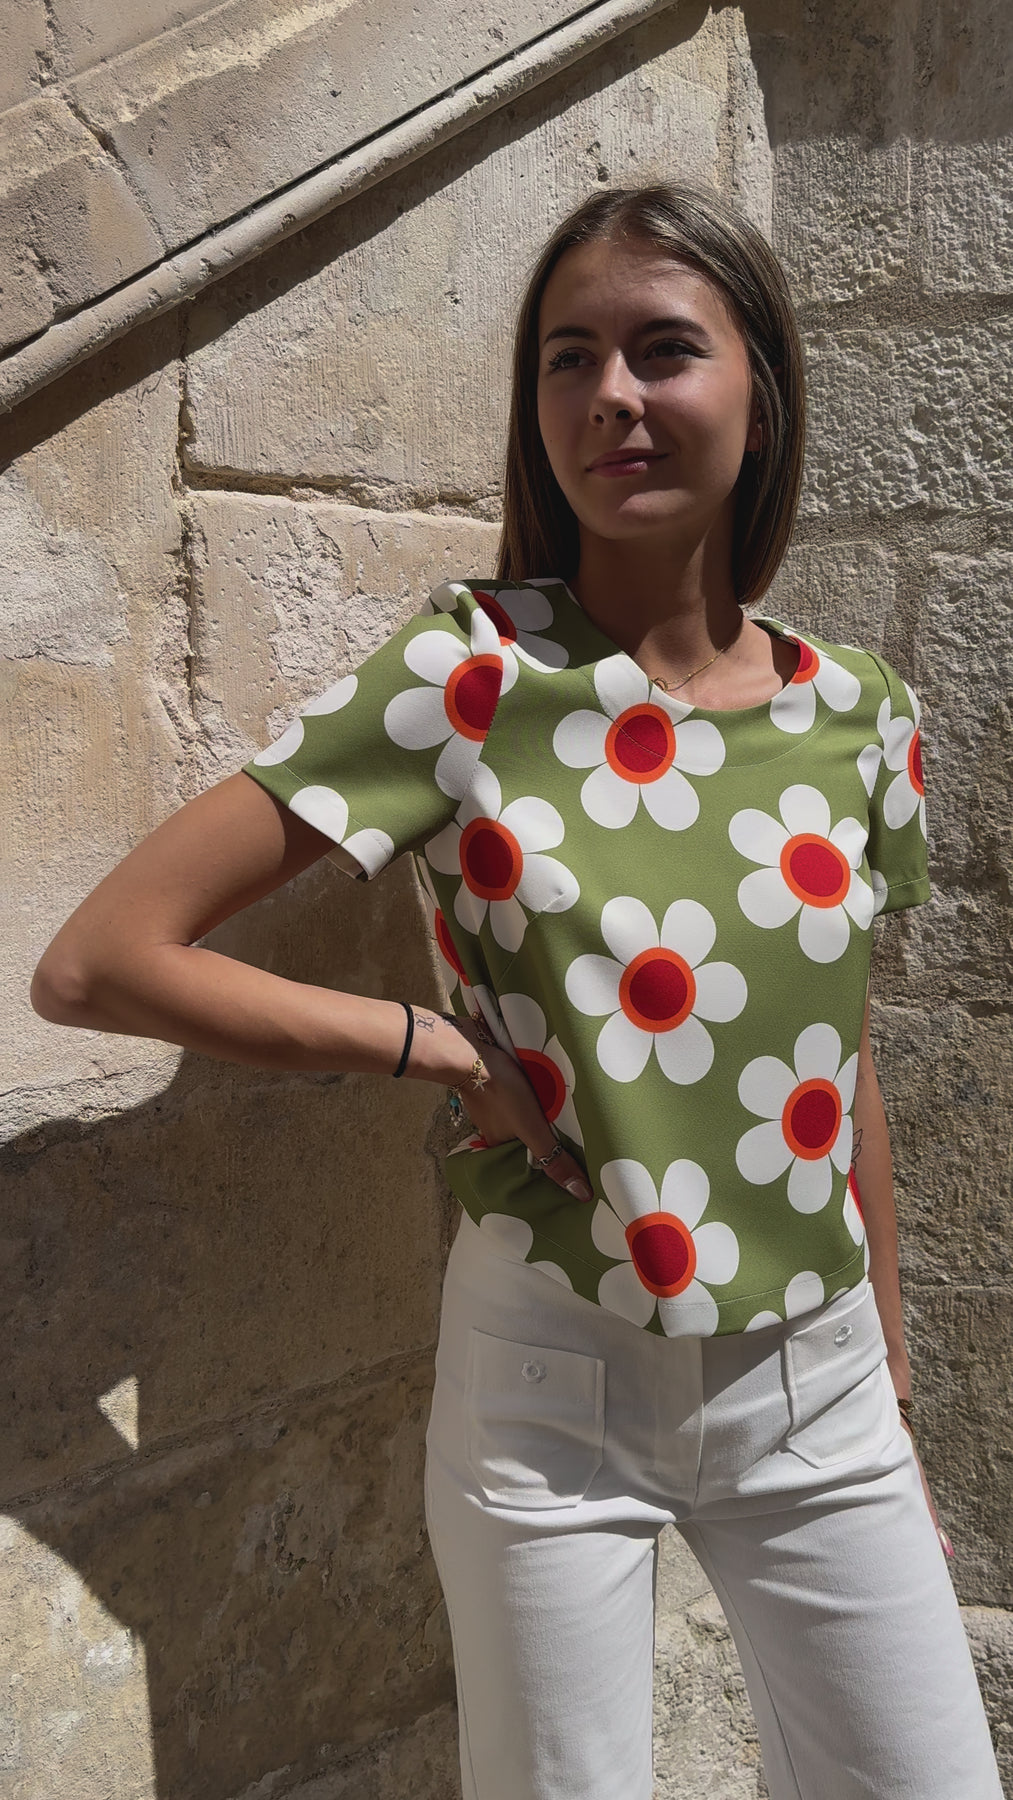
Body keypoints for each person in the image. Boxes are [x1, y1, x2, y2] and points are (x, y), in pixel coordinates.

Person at [31, 182, 1003, 1800]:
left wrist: (891, 1387)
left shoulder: (860, 712)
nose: (611, 394)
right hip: (556, 1390)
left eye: (662, 349)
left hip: (819, 1386)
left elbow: (837, 1070)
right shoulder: (467, 676)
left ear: (760, 394)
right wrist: (427, 1044)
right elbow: (99, 960)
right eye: (568, 358)